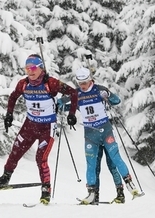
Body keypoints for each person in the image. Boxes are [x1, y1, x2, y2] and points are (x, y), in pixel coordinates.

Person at [0, 54, 78, 205]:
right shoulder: (23, 84)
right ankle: (5, 178)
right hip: (30, 125)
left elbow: (74, 93)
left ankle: (46, 190)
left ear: (40, 68)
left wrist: (71, 114)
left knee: (40, 158)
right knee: (15, 151)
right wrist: (9, 115)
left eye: (33, 68)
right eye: (27, 68)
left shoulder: (51, 83)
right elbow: (13, 97)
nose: (30, 71)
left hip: (47, 126)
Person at [59, 67, 139, 205]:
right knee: (91, 164)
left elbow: (116, 101)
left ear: (90, 80)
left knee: (115, 158)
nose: (82, 86)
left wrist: (108, 96)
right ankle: (91, 193)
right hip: (90, 134)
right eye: (80, 83)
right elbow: (62, 105)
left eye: (85, 82)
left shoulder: (99, 89)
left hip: (105, 130)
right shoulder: (76, 94)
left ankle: (130, 184)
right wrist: (58, 101)